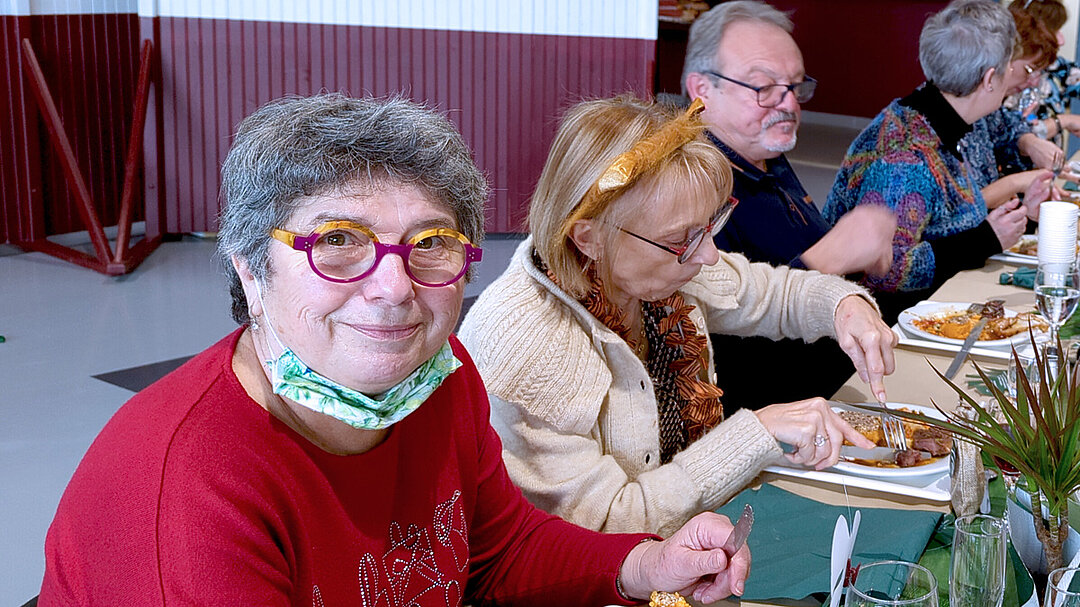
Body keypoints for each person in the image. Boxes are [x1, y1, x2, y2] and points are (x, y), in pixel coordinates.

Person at [37, 93, 752, 605]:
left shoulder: (442, 378)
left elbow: (501, 552)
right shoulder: (189, 498)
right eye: (337, 241)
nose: (393, 287)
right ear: (250, 269)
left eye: (431, 243)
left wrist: (644, 566)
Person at [458, 95, 892, 537]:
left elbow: (775, 293)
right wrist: (755, 433)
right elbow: (606, 527)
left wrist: (845, 306)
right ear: (588, 237)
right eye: (682, 238)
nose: (708, 255)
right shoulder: (527, 347)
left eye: (710, 225)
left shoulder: (647, 267)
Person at [679, 0, 897, 410]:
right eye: (763, 87)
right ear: (702, 89)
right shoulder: (687, 183)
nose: (790, 105)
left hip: (841, 383)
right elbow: (721, 353)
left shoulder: (763, 153)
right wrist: (828, 258)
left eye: (795, 87)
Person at [823, 0, 1035, 325]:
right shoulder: (905, 155)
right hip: (885, 329)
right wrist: (984, 240)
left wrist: (1006, 223)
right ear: (990, 78)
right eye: (1009, 67)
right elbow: (885, 270)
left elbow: (946, 221)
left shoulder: (936, 120)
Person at [967, 0, 1059, 211]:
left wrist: (1029, 142)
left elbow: (1007, 129)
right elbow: (952, 212)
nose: (1034, 81)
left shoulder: (986, 109)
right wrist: (1014, 184)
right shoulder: (918, 130)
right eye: (1029, 70)